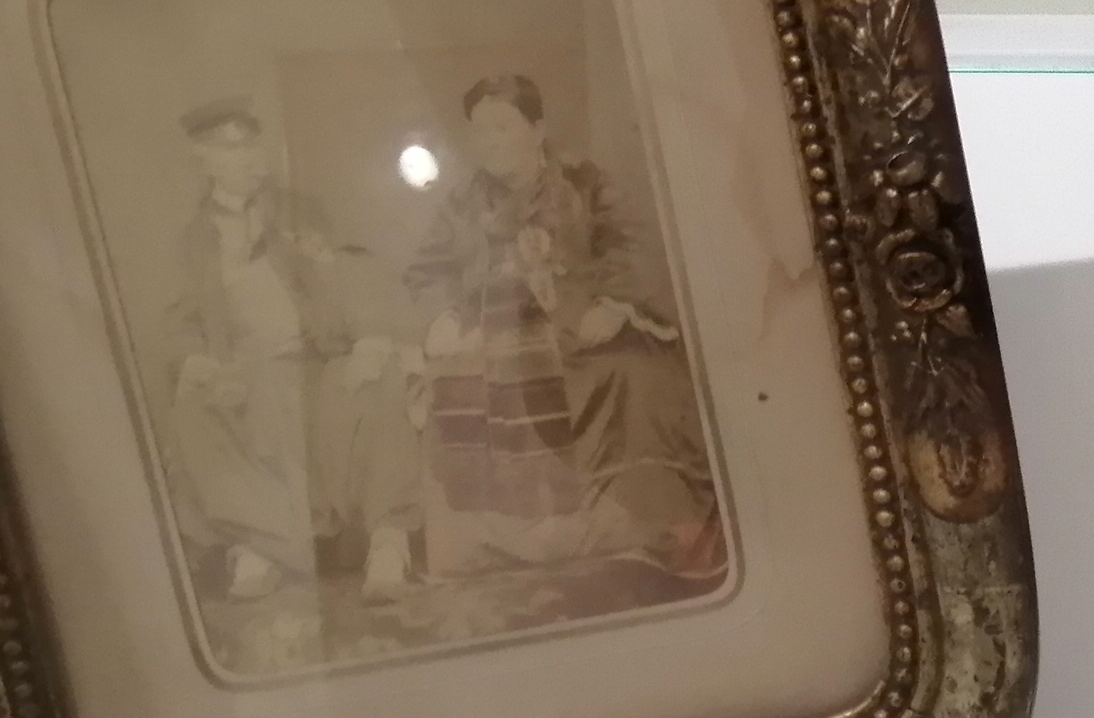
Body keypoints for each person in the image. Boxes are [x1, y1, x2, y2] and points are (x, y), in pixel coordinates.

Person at [408, 71, 720, 581]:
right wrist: (443, 316)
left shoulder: (585, 184)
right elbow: (428, 270)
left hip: (584, 334)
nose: (489, 142)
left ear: (538, 129)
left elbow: (628, 245)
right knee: (459, 388)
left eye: (502, 127)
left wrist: (614, 303)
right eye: (480, 130)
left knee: (637, 378)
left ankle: (646, 533)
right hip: (494, 338)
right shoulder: (461, 202)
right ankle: (500, 548)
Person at [160, 94, 417, 605]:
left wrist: (368, 335)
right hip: (247, 369)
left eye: (250, 144)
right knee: (196, 407)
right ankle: (261, 546)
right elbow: (181, 319)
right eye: (229, 147)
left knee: (378, 380)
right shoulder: (194, 240)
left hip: (318, 357)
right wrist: (195, 360)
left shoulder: (298, 212)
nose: (246, 157)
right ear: (201, 159)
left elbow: (348, 274)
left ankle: (389, 542)